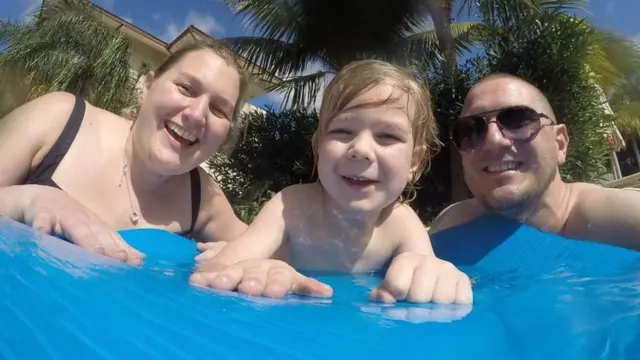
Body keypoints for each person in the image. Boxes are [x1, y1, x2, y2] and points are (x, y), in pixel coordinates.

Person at [190, 60, 474, 305]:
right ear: (318, 149)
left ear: (414, 162)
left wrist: (435, 275)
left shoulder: (401, 223)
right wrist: (255, 266)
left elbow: (424, 272)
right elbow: (217, 272)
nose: (360, 149)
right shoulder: (292, 206)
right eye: (342, 131)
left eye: (387, 136)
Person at [0, 42, 250, 265]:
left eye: (218, 109)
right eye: (185, 88)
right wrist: (27, 199)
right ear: (147, 88)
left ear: (224, 138)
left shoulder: (205, 198)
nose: (196, 114)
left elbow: (270, 249)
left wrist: (271, 266)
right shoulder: (59, 120)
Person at [428, 73, 640, 249]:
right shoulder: (449, 226)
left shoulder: (622, 222)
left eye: (517, 120)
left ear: (560, 144)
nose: (492, 141)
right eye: (472, 129)